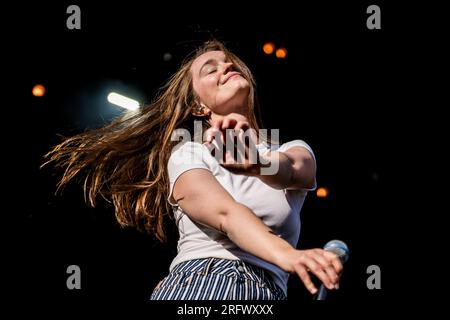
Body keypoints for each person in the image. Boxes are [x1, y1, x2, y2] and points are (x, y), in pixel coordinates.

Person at [43, 40, 343, 300]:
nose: (225, 67)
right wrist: (290, 256)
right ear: (198, 106)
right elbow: (227, 215)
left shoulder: (291, 148)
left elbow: (292, 171)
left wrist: (256, 163)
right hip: (205, 278)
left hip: (268, 292)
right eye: (211, 69)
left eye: (228, 63)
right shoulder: (189, 152)